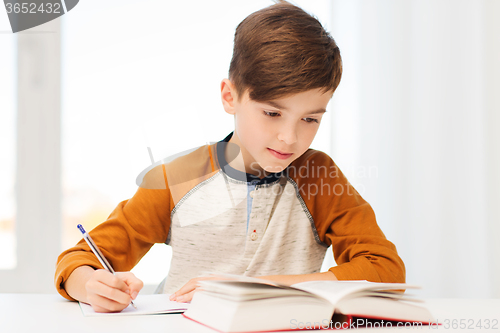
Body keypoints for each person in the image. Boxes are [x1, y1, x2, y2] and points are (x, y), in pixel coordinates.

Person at [55, 0, 405, 313]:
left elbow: (385, 270)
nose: (290, 137)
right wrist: (91, 285)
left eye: (310, 119)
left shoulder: (319, 176)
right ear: (230, 96)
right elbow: (77, 261)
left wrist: (261, 288)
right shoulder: (176, 177)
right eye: (272, 113)